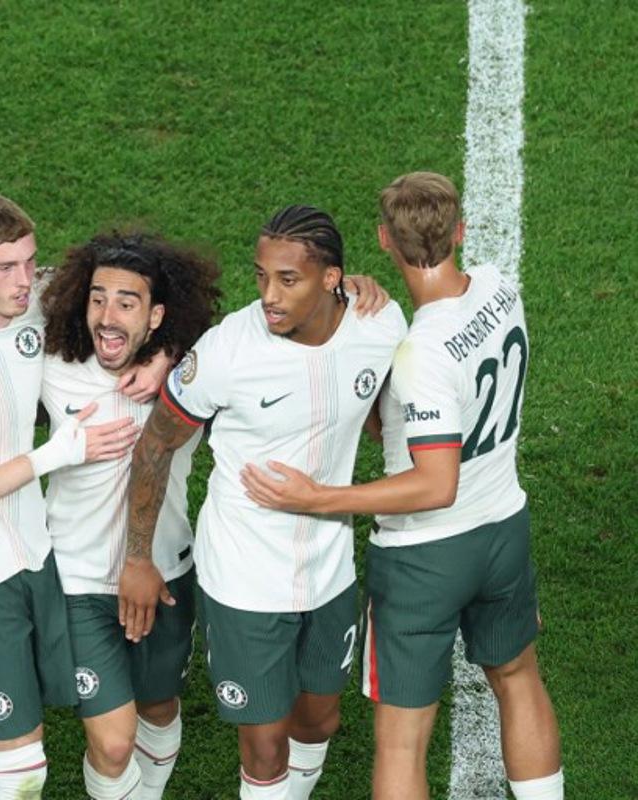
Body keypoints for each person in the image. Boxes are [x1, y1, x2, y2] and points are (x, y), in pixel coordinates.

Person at [240, 173, 563, 800]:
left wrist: (321, 498)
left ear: (384, 238)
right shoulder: (501, 289)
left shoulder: (421, 354)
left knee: (401, 739)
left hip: (425, 556)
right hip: (503, 529)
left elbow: (434, 483)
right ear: (460, 231)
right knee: (519, 675)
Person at [119, 205, 406, 800]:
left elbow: (385, 415)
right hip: (245, 577)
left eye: (288, 280)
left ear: (332, 278)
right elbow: (153, 449)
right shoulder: (228, 351)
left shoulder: (380, 325)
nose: (269, 295)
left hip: (329, 566)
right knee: (265, 743)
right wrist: (138, 558)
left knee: (319, 720)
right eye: (261, 276)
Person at [0, 194, 150, 799]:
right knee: (22, 767)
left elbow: (142, 297)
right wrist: (56, 454)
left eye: (29, 262)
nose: (25, 281)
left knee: (5, 736)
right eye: (6, 268)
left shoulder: (30, 311)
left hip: (33, 562)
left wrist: (166, 356)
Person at [38, 232, 220, 799]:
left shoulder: (192, 373)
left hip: (165, 573)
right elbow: (5, 280)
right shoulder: (53, 362)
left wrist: (169, 357)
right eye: (97, 297)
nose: (107, 315)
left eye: (127, 302)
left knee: (159, 710)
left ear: (158, 315)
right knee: (115, 744)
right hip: (78, 579)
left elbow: (249, 329)